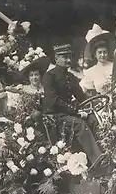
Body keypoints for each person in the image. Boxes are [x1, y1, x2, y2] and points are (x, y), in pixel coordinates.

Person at [42, 43, 109, 177]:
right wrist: (76, 112)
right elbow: (53, 100)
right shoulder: (49, 76)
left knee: (94, 119)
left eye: (69, 57)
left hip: (69, 114)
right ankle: (97, 160)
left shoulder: (70, 77)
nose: (68, 60)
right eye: (64, 57)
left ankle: (107, 152)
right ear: (56, 59)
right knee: (80, 124)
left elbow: (81, 96)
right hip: (56, 116)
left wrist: (97, 101)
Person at [80, 24, 116, 96]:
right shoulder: (91, 71)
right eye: (100, 52)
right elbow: (82, 88)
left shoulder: (115, 66)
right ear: (95, 54)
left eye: (105, 52)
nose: (103, 55)